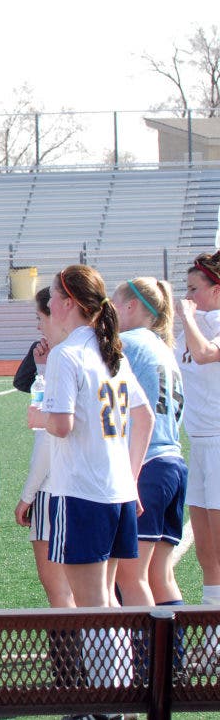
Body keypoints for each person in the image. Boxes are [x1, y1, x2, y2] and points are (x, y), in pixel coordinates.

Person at [26, 264, 153, 692]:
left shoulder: (68, 354)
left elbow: (61, 424)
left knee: (92, 603)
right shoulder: (107, 351)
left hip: (82, 492)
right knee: (107, 601)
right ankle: (115, 694)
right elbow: (144, 416)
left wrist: (36, 416)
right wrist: (132, 478)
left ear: (68, 304)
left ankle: (107, 699)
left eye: (55, 298)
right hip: (116, 492)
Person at [111, 277, 187, 611]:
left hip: (149, 466)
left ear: (130, 306)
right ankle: (174, 658)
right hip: (172, 463)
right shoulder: (162, 347)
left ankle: (146, 662)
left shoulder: (129, 342)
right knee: (160, 574)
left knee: (130, 576)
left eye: (114, 305)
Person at [14, 288, 76, 610]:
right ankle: (103, 660)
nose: (39, 327)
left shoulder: (64, 361)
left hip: (57, 491)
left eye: (41, 317)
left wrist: (27, 495)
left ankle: (70, 661)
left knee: (60, 591)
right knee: (93, 588)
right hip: (93, 489)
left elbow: (47, 439)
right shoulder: (97, 354)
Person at [175, 251, 220, 645]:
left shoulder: (211, 324)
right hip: (199, 443)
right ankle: (212, 636)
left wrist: (189, 317)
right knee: (207, 551)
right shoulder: (190, 326)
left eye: (193, 289)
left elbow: (206, 354)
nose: (186, 297)